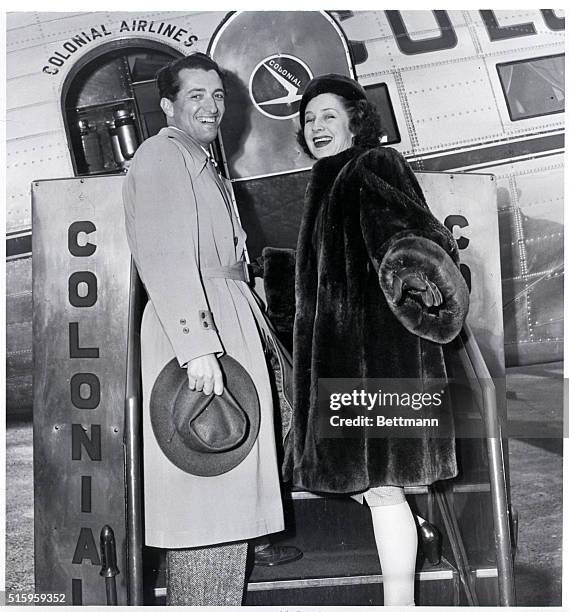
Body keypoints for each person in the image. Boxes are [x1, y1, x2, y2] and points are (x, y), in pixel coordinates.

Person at [282, 74, 470, 606]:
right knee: (376, 490)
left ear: (355, 121)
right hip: (348, 364)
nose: (316, 127)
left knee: (383, 489)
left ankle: (400, 602)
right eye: (309, 119)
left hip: (381, 361)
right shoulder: (329, 178)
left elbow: (417, 239)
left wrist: (424, 289)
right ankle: (407, 565)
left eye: (328, 116)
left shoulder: (371, 165)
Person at [122, 52, 289, 605]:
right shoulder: (163, 156)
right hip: (199, 330)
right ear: (168, 105)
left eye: (218, 95)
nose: (211, 106)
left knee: (232, 487)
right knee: (206, 499)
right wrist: (197, 350)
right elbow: (166, 258)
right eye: (196, 95)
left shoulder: (202, 160)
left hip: (229, 317)